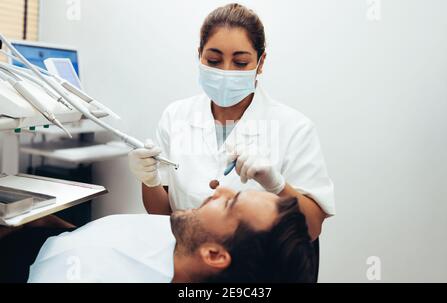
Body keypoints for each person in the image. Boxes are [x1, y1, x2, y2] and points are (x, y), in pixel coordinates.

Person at [128, 3, 335, 241]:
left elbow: (312, 228)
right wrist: (149, 180)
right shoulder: (175, 116)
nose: (226, 71)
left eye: (240, 63)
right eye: (214, 60)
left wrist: (277, 185)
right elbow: (162, 216)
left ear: (261, 62)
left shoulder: (295, 129)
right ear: (199, 55)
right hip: (186, 260)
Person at [22, 187, 315, 283]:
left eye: (229, 203)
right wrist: (57, 230)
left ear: (214, 255)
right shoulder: (184, 237)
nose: (219, 190)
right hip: (43, 236)